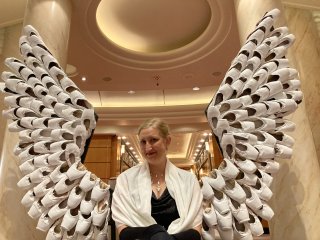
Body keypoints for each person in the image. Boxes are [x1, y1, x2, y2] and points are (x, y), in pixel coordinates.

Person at [111, 118, 203, 240]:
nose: (148, 147)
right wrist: (154, 233)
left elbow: (196, 229)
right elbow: (123, 230)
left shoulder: (189, 181)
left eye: (153, 140)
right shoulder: (125, 180)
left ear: (167, 141)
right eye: (143, 142)